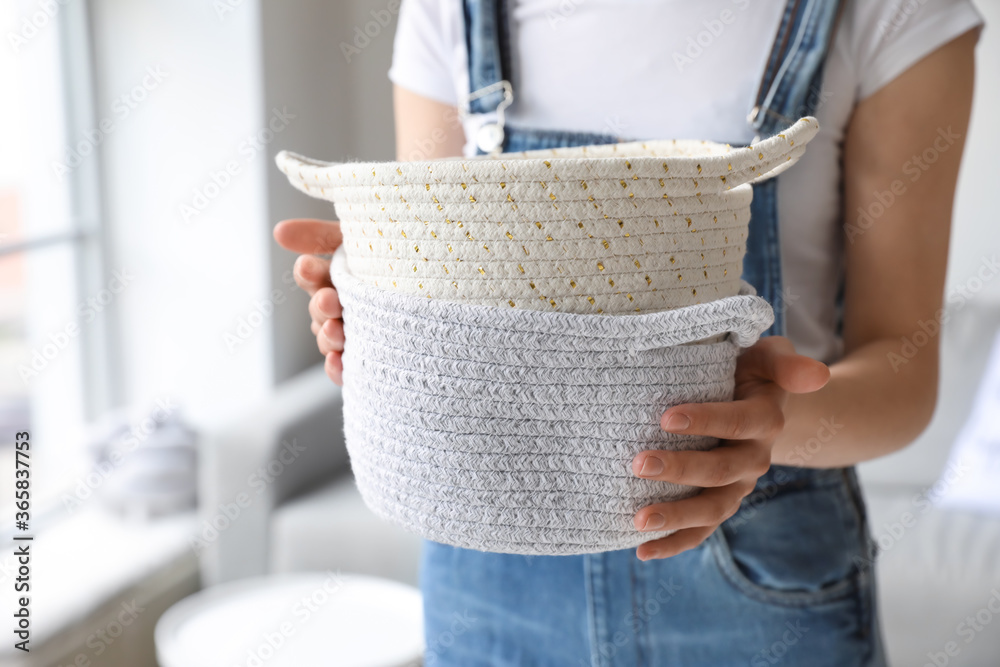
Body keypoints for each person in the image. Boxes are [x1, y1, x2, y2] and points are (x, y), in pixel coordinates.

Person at [274, 0, 983, 663]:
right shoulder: (452, 11)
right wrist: (379, 332)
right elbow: (442, 292)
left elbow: (903, 372)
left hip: (759, 590)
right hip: (487, 579)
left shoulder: (894, 12)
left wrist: (764, 420)